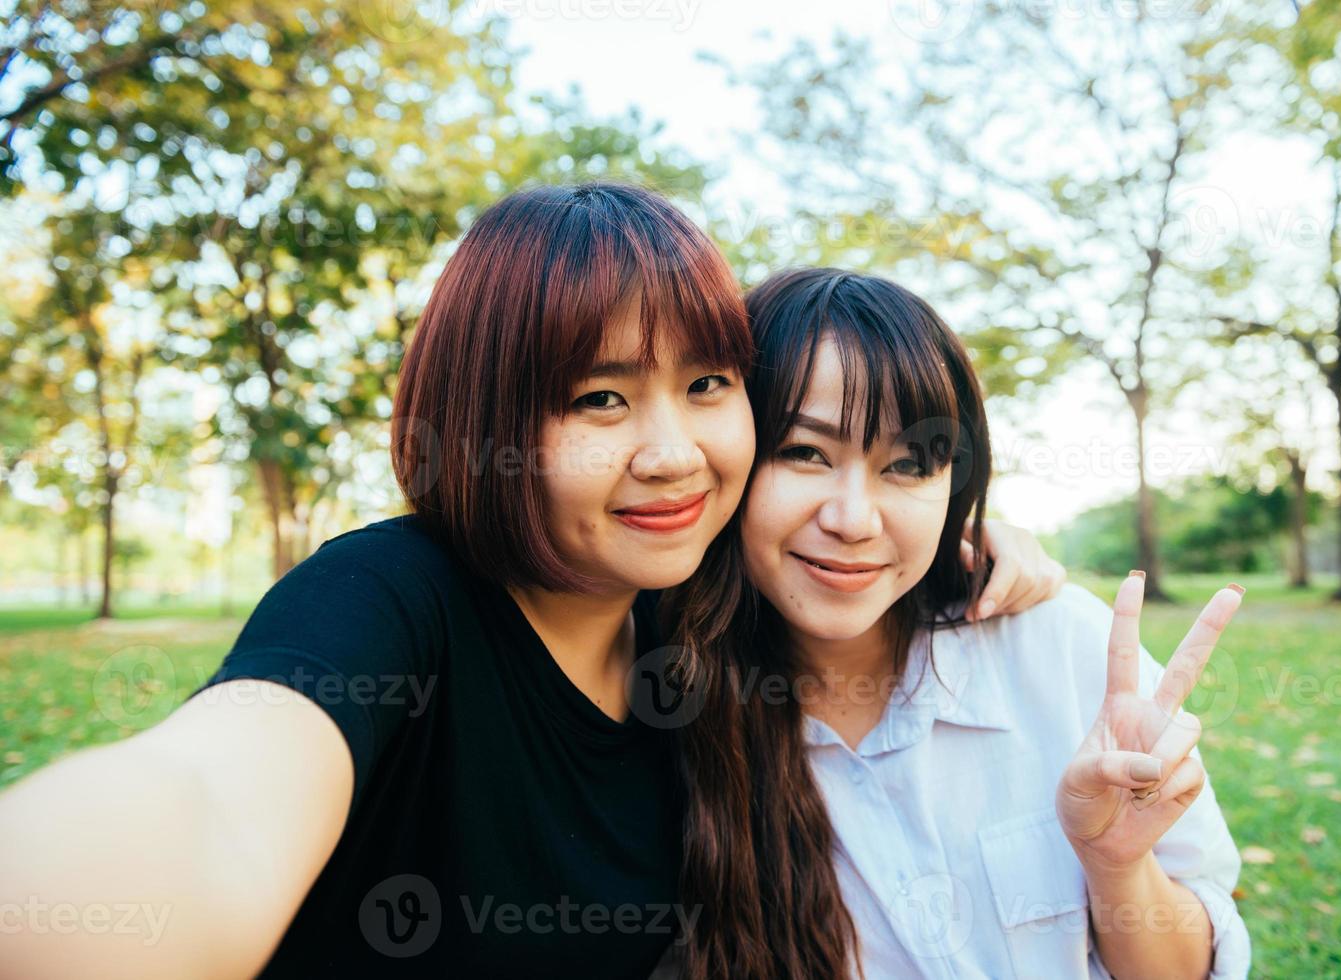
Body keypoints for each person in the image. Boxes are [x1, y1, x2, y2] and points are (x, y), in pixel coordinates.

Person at [0, 185, 1063, 979]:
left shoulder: (691, 617)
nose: (672, 452)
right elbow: (213, 797)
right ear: (486, 420)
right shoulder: (392, 600)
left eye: (705, 384)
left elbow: (843, 524)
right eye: (600, 398)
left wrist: (960, 537)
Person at [668, 268, 1249, 979]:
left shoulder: (1060, 647)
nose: (853, 520)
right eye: (804, 452)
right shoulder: (662, 702)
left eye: (908, 465)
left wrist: (1117, 865)